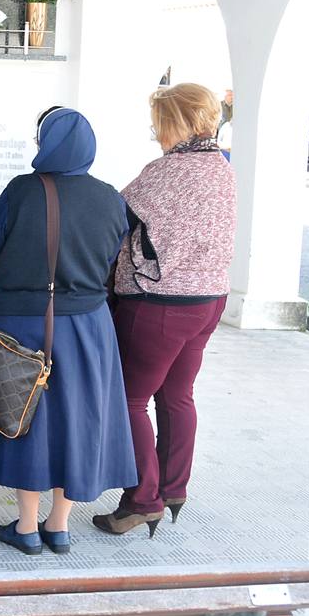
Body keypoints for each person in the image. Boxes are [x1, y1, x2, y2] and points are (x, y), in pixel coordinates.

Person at [0, 107, 137, 555]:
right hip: (88, 327)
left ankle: (25, 527)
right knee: (76, 420)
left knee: (26, 418)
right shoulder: (111, 198)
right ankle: (58, 526)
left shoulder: (24, 191)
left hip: (24, 322)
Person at [94, 83, 236, 536]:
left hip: (159, 305)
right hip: (209, 300)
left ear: (177, 121)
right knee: (177, 395)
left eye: (160, 123)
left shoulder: (164, 172)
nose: (156, 133)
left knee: (131, 400)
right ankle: (174, 488)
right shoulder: (221, 167)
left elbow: (115, 217)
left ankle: (143, 500)